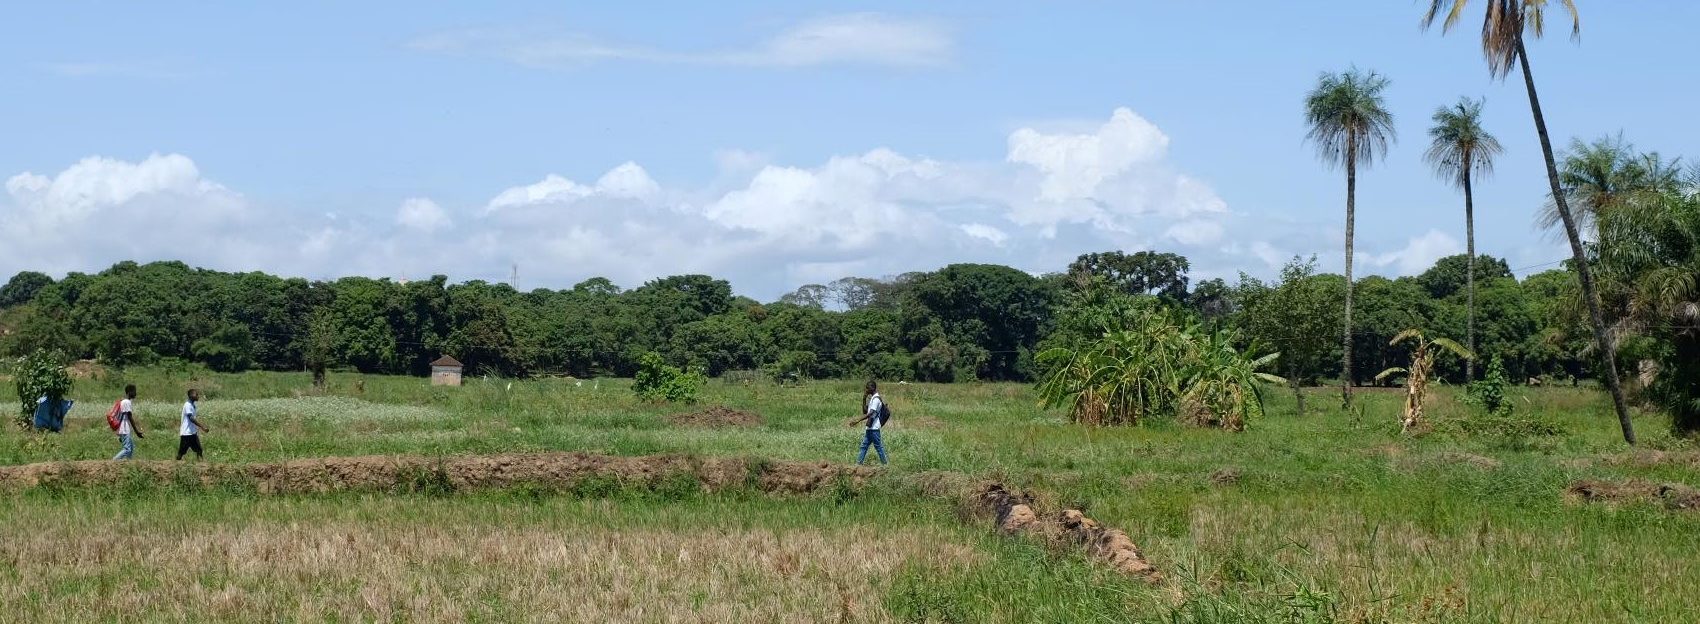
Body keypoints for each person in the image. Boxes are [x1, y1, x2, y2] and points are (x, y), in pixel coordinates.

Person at [846, 380, 888, 465]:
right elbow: (865, 411)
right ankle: (858, 464)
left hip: (874, 428)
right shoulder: (872, 398)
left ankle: (885, 464)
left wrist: (857, 421)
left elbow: (871, 413)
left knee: (878, 447)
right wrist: (864, 398)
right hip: (870, 428)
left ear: (872, 388)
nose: (866, 390)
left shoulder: (876, 399)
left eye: (867, 388)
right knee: (864, 446)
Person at [177, 389, 210, 461]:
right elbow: (191, 418)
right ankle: (175, 464)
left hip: (192, 432)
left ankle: (201, 464)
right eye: (196, 395)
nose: (198, 396)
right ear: (191, 396)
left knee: (199, 449)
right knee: (181, 452)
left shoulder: (193, 405)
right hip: (186, 433)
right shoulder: (187, 405)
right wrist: (202, 427)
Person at [113, 384, 143, 460]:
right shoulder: (127, 402)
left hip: (123, 428)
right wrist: (137, 432)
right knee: (127, 449)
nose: (135, 393)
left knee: (131, 447)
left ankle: (128, 463)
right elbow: (130, 417)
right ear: (129, 392)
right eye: (134, 391)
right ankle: (114, 461)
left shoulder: (124, 401)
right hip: (124, 428)